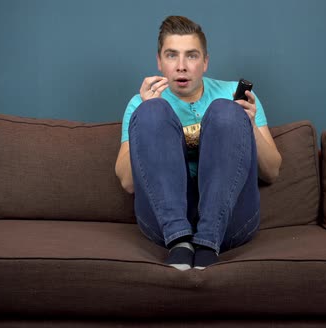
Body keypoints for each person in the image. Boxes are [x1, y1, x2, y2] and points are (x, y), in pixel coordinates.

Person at [115, 15, 282, 271]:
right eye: (172, 55)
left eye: (191, 56)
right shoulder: (141, 102)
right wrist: (146, 114)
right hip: (165, 224)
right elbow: (128, 183)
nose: (181, 66)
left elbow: (271, 171)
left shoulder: (239, 98)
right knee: (152, 112)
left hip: (230, 219)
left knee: (225, 111)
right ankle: (181, 243)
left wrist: (246, 125)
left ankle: (207, 244)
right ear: (159, 61)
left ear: (205, 62)